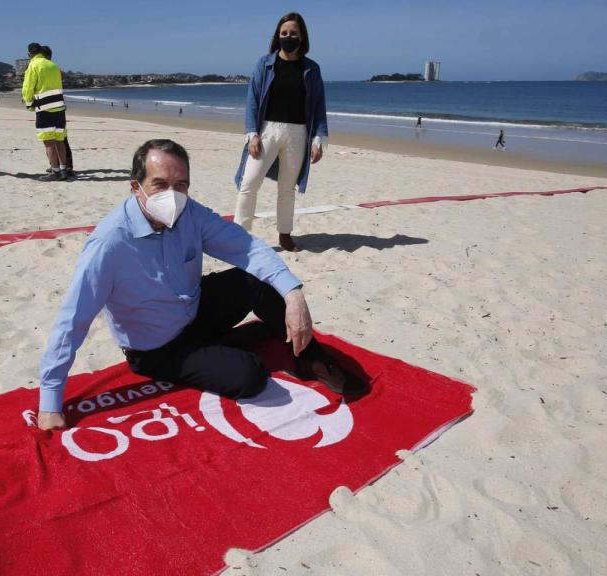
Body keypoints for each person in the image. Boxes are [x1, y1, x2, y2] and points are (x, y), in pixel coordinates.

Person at [35, 139, 357, 430]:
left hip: (192, 309)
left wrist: (293, 293)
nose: (171, 196)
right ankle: (226, 347)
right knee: (251, 376)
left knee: (257, 280)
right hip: (157, 348)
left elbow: (246, 247)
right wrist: (50, 401)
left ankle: (312, 359)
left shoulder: (190, 214)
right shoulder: (109, 243)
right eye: (159, 184)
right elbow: (73, 319)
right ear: (136, 187)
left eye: (181, 185)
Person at [234, 12, 328, 253]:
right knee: (249, 182)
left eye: (293, 33)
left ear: (302, 36)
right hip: (267, 131)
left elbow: (318, 106)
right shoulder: (265, 64)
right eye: (284, 33)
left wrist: (318, 139)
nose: (288, 36)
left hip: (298, 134)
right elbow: (252, 100)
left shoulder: (312, 69)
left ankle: (285, 235)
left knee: (287, 189)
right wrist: (252, 133)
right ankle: (239, 235)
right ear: (278, 36)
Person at [23, 42, 69, 181]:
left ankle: (54, 171)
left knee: (48, 141)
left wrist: (29, 104)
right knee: (60, 140)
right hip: (59, 108)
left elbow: (28, 87)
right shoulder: (53, 65)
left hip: (45, 109)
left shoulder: (33, 65)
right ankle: (63, 170)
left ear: (29, 54)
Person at [41, 45, 75, 178]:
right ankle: (56, 165)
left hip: (54, 107)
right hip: (55, 107)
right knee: (55, 138)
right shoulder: (53, 68)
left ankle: (67, 166)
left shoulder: (52, 68)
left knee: (60, 139)